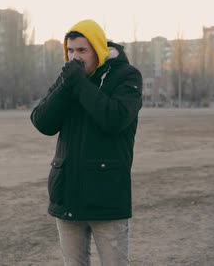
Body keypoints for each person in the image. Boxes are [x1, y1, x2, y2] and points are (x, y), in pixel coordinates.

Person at [30, 19, 143, 265]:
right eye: (70, 50)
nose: (75, 57)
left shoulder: (127, 76)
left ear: (98, 49)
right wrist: (65, 87)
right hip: (68, 195)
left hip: (107, 196)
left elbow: (114, 118)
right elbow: (41, 122)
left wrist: (80, 84)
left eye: (82, 50)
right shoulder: (69, 79)